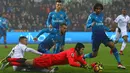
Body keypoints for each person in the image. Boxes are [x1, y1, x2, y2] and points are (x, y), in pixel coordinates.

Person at [84, 3, 126, 69]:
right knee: (94, 54)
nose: (98, 10)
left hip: (103, 35)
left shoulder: (101, 15)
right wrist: (91, 24)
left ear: (101, 9)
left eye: (100, 9)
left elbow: (101, 25)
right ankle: (84, 56)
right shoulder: (91, 16)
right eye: (97, 9)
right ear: (94, 9)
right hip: (96, 37)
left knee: (112, 45)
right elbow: (87, 25)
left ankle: (119, 63)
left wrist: (109, 29)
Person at [1, 43, 94, 71]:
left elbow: (83, 62)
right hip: (48, 59)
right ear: (77, 49)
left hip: (50, 61)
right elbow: (71, 63)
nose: (83, 51)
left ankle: (9, 62)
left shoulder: (78, 55)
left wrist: (92, 66)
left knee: (28, 65)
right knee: (27, 63)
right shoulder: (71, 52)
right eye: (82, 49)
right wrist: (81, 66)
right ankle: (9, 60)